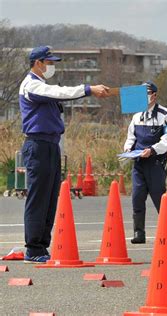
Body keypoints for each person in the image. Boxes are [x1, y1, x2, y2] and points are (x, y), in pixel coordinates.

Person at [20, 46, 110, 263]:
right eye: (49, 62)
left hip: (50, 144)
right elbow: (61, 93)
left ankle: (42, 247)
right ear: (38, 63)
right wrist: (88, 89)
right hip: (38, 145)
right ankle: (33, 248)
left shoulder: (42, 85)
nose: (52, 66)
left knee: (50, 197)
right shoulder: (32, 85)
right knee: (39, 198)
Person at [123, 81, 167, 244]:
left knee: (159, 198)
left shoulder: (165, 114)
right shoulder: (136, 115)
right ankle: (139, 233)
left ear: (154, 95)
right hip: (138, 163)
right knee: (137, 198)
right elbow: (131, 137)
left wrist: (152, 150)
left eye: (147, 93)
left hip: (155, 163)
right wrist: (128, 149)